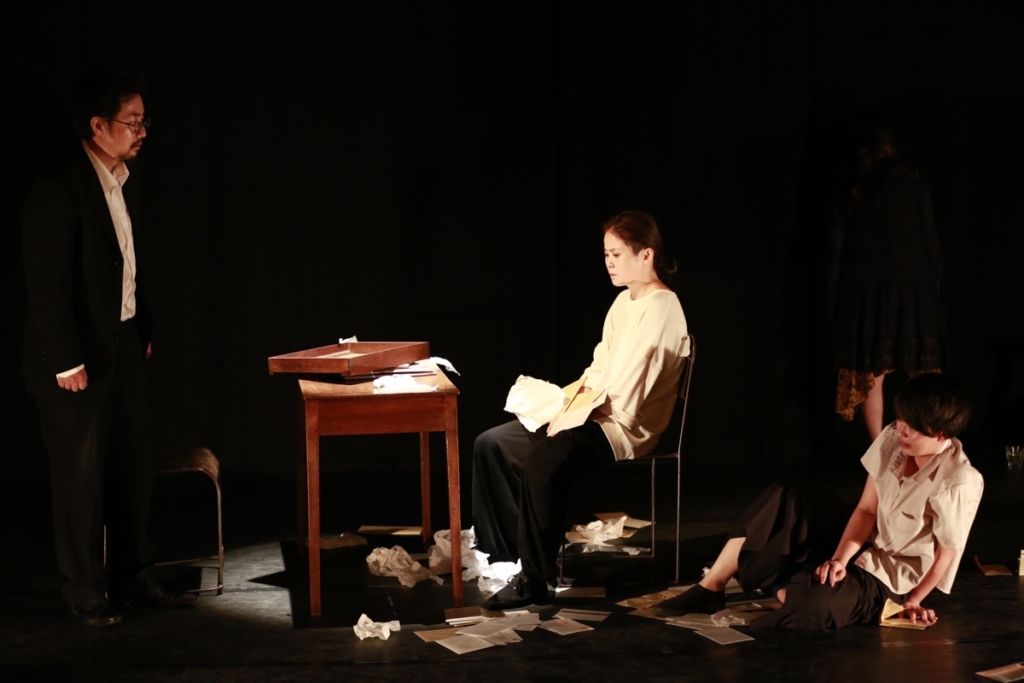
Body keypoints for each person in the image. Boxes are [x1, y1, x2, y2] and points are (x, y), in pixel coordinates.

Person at [22, 66, 193, 627]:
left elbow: (126, 263)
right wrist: (65, 360)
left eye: (144, 121)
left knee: (132, 466)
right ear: (99, 125)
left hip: (121, 343)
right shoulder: (59, 188)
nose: (142, 131)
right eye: (132, 121)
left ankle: (134, 575)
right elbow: (46, 285)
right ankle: (84, 589)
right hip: (76, 358)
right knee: (80, 480)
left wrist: (139, 329)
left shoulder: (124, 180)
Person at [472, 210, 689, 609]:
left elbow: (629, 393)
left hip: (623, 428)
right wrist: (563, 406)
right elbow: (598, 367)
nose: (609, 262)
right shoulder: (623, 302)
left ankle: (535, 580)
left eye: (617, 254)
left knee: (544, 459)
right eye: (606, 254)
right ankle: (508, 556)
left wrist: (572, 419)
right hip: (594, 413)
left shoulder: (662, 308)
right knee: (493, 443)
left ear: (646, 254)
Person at [655, 373, 982, 630]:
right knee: (787, 495)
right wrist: (840, 560)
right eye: (901, 421)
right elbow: (867, 509)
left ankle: (783, 583)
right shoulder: (892, 440)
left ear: (940, 434)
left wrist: (912, 601)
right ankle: (711, 586)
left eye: (913, 429)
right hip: (864, 541)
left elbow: (946, 555)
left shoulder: (957, 481)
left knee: (816, 606)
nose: (901, 431)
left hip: (891, 574)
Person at [830, 122, 947, 440]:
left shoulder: (855, 185)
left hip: (867, 290)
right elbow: (929, 235)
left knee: (872, 376)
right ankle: (922, 442)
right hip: (912, 286)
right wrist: (935, 280)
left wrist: (837, 295)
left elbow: (838, 247)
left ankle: (879, 450)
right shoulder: (911, 179)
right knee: (919, 371)